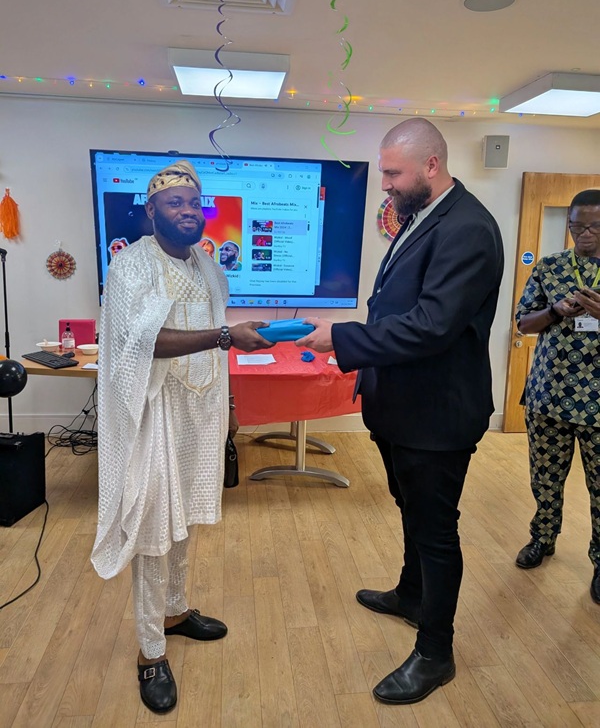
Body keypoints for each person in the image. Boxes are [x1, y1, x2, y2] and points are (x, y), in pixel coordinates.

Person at [297, 118, 504, 705]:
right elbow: (394, 303)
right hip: (401, 408)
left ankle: (436, 653)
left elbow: (433, 325)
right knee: (409, 508)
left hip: (437, 416)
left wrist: (344, 337)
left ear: (431, 165)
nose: (385, 184)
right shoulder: (424, 215)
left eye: (393, 173)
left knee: (435, 531)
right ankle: (412, 595)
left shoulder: (468, 228)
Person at [91, 160, 273, 714]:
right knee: (153, 527)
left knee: (183, 519)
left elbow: (217, 344)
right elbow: (143, 342)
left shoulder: (210, 268)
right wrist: (224, 336)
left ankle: (174, 611)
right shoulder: (131, 265)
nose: (189, 211)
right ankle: (150, 651)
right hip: (151, 415)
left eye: (195, 203)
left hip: (198, 413)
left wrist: (230, 407)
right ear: (151, 210)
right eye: (176, 203)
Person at [514, 189, 600, 605]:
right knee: (545, 478)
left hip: (598, 403)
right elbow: (523, 323)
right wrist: (555, 312)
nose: (584, 235)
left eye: (594, 227)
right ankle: (542, 537)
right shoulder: (550, 267)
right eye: (576, 226)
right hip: (549, 394)